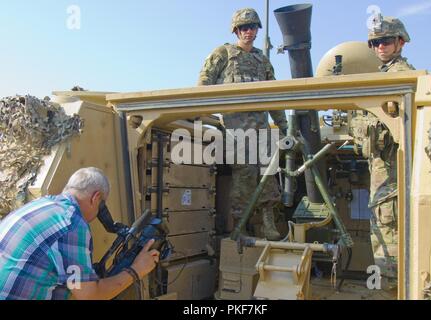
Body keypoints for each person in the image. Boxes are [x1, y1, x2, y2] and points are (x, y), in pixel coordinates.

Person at [0, 167, 160, 300]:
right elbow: (90, 296)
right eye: (101, 208)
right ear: (96, 198)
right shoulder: (72, 224)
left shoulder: (40, 204)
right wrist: (137, 269)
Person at [198, 8, 288, 240]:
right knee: (244, 177)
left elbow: (274, 96)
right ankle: (240, 226)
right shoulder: (223, 54)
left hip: (261, 129)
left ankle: (268, 222)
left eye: (252, 27)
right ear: (236, 30)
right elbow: (204, 83)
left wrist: (283, 124)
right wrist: (199, 112)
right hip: (236, 129)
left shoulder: (262, 61)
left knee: (268, 174)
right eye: (243, 28)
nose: (248, 32)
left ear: (257, 30)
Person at [351, 15, 414, 292]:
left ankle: (389, 292)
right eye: (375, 42)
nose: (380, 47)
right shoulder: (384, 76)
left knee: (387, 241)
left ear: (400, 41)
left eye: (386, 41)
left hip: (391, 176)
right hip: (383, 174)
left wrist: (357, 124)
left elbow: (388, 128)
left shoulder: (400, 76)